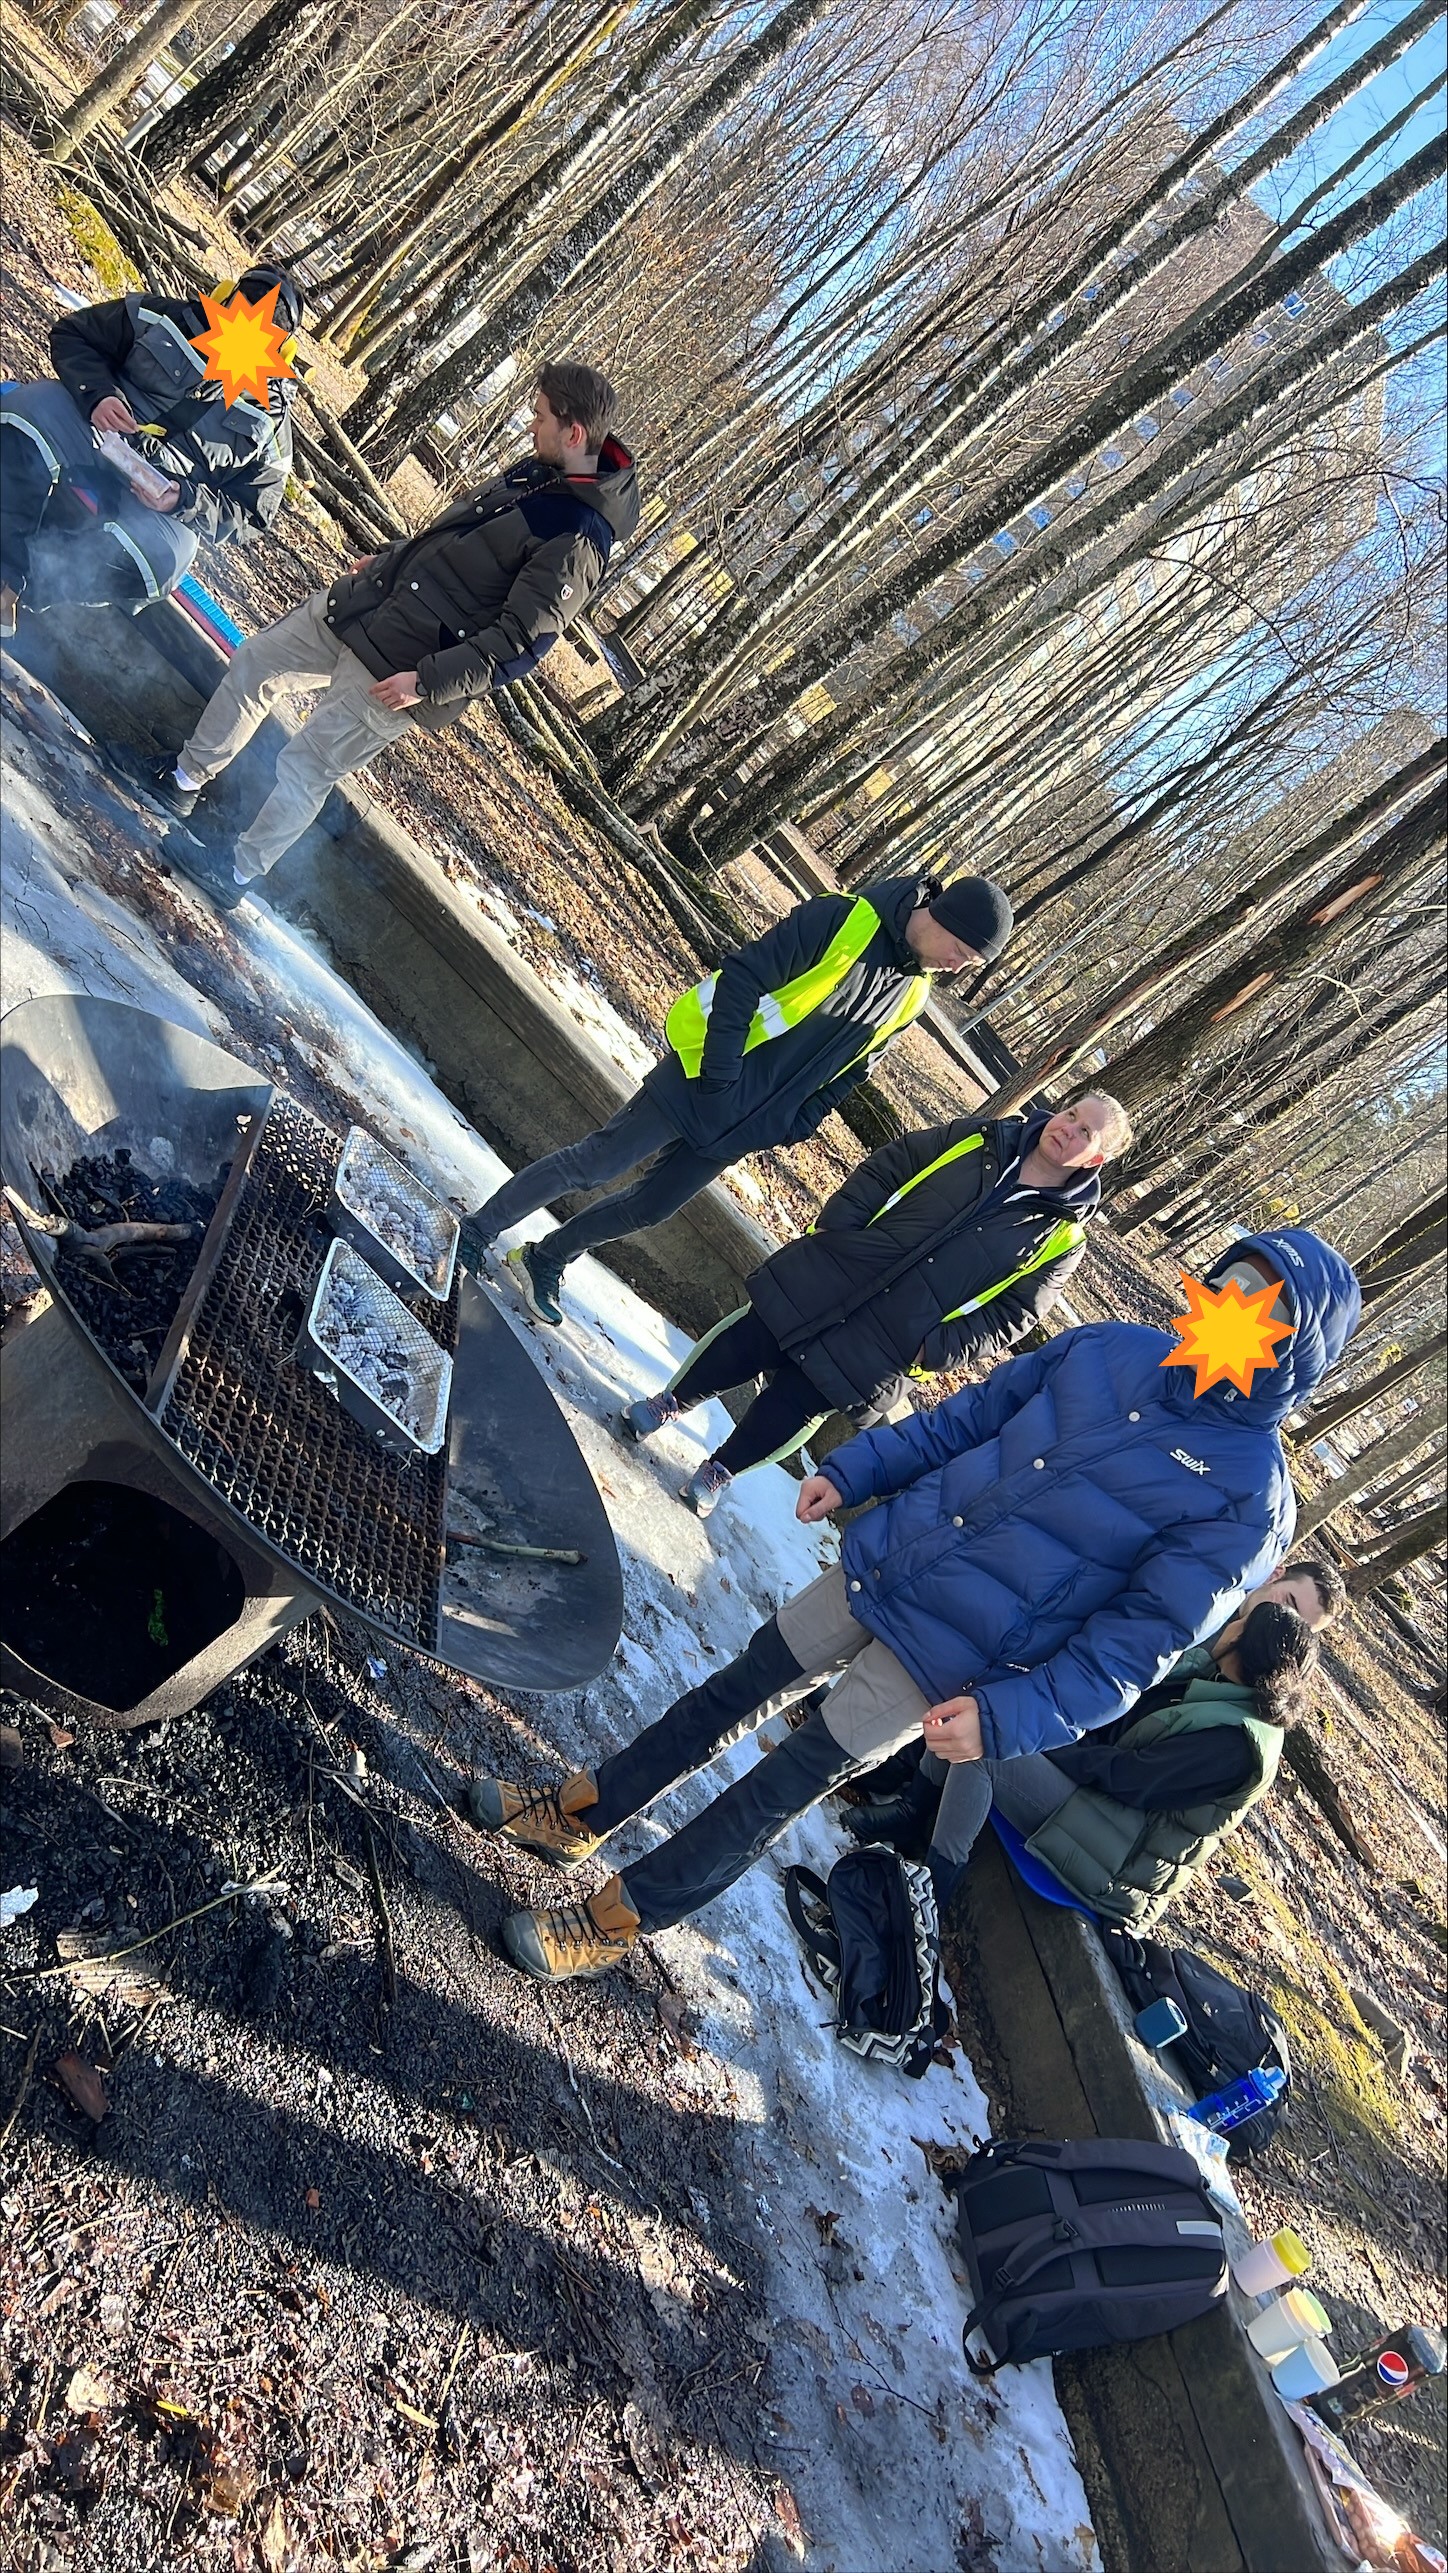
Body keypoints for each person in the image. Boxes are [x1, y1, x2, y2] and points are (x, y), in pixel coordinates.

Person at [464, 1226, 1360, 1982]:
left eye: (1264, 1302)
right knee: (725, 1695)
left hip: (957, 1655)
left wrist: (1009, 1717)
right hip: (893, 1558)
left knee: (780, 1783)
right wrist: (860, 1467)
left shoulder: (1248, 1496)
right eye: (1232, 1278)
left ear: (1293, 1345)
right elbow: (966, 1419)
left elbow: (1135, 1647)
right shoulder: (1112, 1348)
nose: (1234, 1299)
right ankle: (575, 1814)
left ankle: (618, 1920)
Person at [148, 360, 637, 904]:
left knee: (307, 767)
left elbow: (518, 645)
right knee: (258, 664)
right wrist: (389, 558)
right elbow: (458, 541)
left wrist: (424, 683)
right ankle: (183, 783)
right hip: (371, 603)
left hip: (402, 669)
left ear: (572, 433)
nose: (530, 426)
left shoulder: (579, 540)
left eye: (540, 417)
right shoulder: (543, 472)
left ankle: (235, 873)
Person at [458, 873, 1016, 1327]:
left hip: (748, 1123)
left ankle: (547, 1257)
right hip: (702, 1077)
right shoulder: (845, 918)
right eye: (963, 951)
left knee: (651, 1206)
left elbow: (854, 1072)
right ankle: (477, 1231)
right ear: (943, 918)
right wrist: (720, 1074)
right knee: (595, 1162)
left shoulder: (915, 992)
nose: (959, 966)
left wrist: (795, 1124)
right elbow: (743, 978)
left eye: (971, 962)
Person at [622, 1092, 1130, 1516]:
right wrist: (839, 1226)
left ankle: (720, 1471)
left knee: (798, 1403)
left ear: (1095, 1159)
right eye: (1071, 1114)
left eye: (1087, 1132)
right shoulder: (981, 1138)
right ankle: (668, 1404)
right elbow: (894, 1163)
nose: (1069, 1129)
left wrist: (934, 1349)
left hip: (896, 1339)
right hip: (840, 1267)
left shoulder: (1064, 1238)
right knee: (752, 1338)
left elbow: (1014, 1315)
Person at [843, 1551, 1347, 1869]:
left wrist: (1045, 1740)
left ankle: (929, 1889)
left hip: (1114, 1843)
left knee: (990, 1745)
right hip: (1101, 1787)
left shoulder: (1237, 1736)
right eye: (1283, 1602)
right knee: (997, 1709)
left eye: (1293, 1621)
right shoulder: (1220, 1666)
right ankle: (912, 1804)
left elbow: (1130, 1777)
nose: (1272, 1617)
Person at [0, 267, 303, 632]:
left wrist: (184, 500)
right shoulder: (157, 317)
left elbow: (252, 514)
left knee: (165, 561)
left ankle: (30, 586)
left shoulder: (272, 419)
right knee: (27, 413)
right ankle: (6, 573)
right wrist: (98, 393)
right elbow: (74, 333)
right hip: (93, 431)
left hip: (159, 499)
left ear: (279, 351)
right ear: (224, 301)